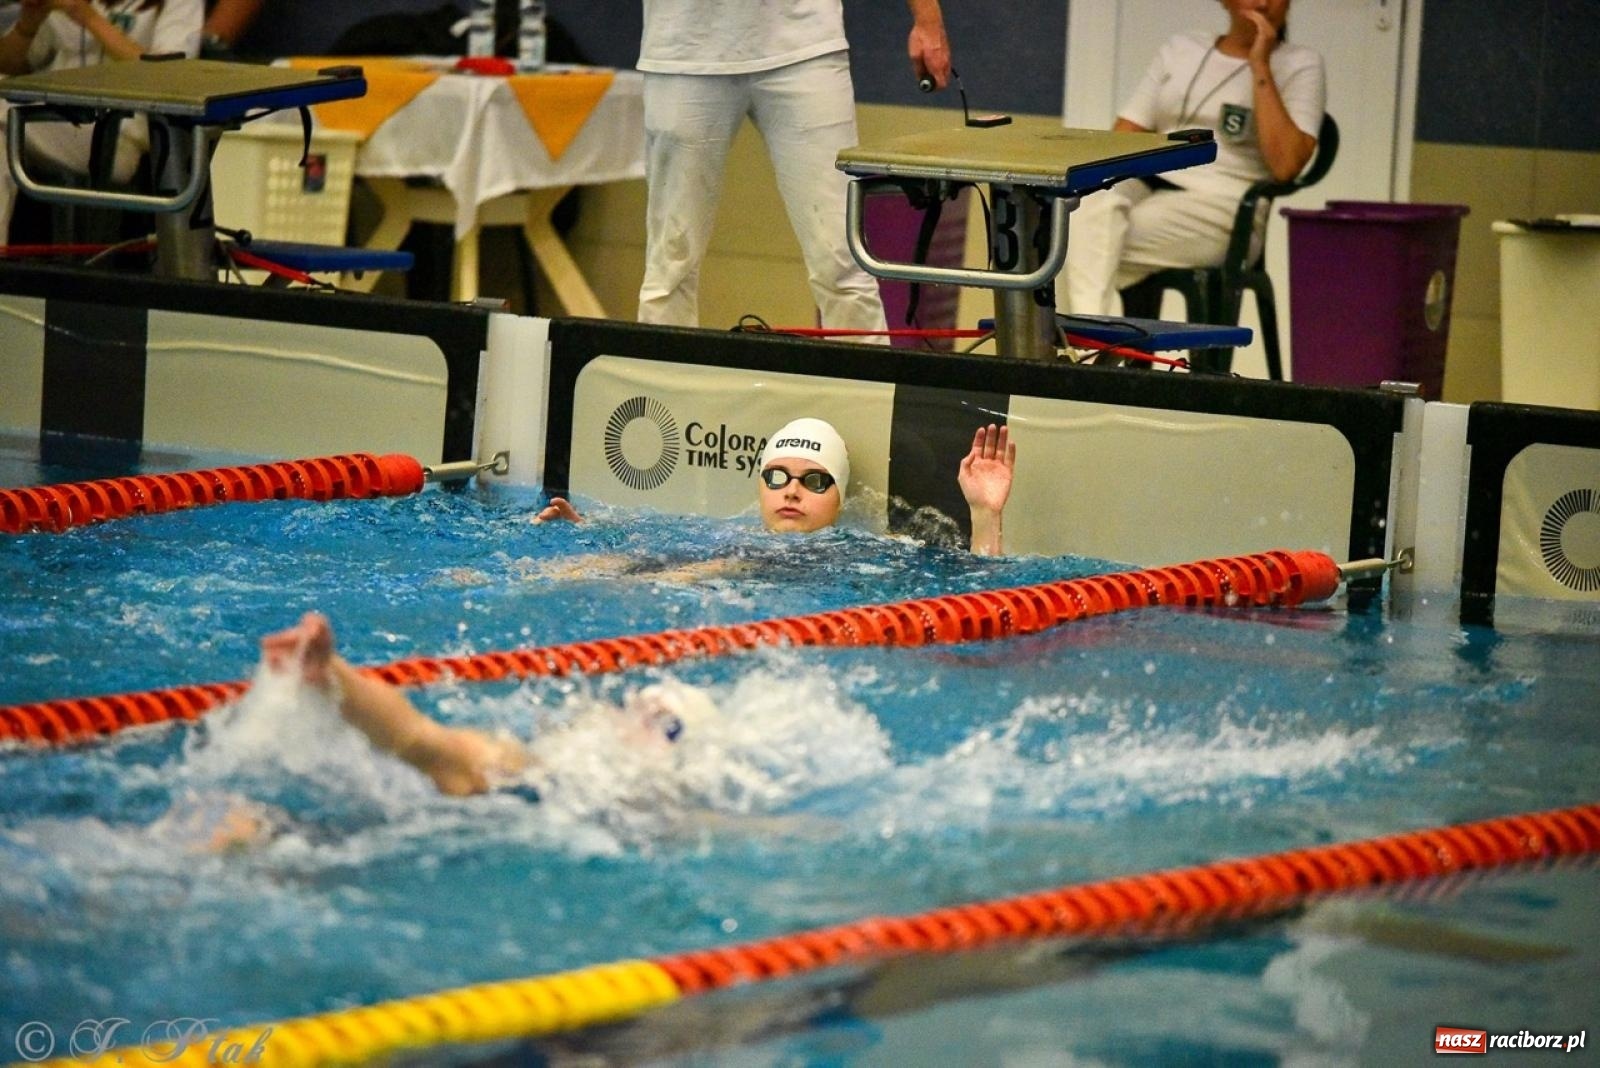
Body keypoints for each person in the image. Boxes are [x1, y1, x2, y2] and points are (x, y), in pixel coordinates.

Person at [635, 0, 952, 335]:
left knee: (843, 262)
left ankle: (864, 372)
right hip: (682, 50)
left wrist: (928, 20)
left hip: (806, 44)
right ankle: (659, 370)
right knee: (670, 265)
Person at [259, 611, 718, 799]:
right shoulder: (551, 770)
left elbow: (428, 746)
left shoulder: (559, 780)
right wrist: (332, 674)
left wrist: (333, 674)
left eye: (657, 721)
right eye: (632, 706)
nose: (623, 716)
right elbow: (424, 742)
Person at [1057, 0, 1325, 317]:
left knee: (1079, 244)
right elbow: (1125, 135)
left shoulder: (1300, 64)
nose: (1264, 3)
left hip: (1225, 204)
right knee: (1085, 205)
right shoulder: (1182, 48)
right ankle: (1098, 338)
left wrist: (1261, 66)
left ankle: (1086, 340)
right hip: (1152, 180)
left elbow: (1287, 166)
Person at [537, 417, 1017, 556]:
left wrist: (984, 514)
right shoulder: (716, 539)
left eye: (814, 480)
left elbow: (979, 599)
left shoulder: (872, 552)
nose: (791, 491)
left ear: (840, 498)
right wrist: (583, 540)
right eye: (777, 476)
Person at [0, 0, 203, 238]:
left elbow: (170, 77)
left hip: (120, 133)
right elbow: (12, 64)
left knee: (2, 114)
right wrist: (28, 24)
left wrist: (87, 16)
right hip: (50, 119)